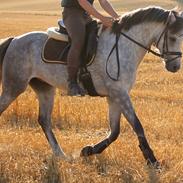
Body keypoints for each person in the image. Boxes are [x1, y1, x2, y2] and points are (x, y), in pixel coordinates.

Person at [61, 0, 119, 96]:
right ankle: (72, 83)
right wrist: (102, 18)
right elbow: (82, 2)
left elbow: (104, 2)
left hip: (86, 15)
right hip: (72, 13)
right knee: (78, 40)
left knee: (98, 38)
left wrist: (118, 18)